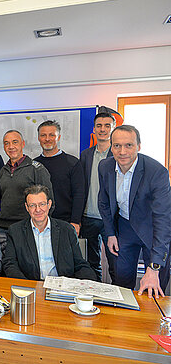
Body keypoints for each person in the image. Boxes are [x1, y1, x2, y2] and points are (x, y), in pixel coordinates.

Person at [99, 125, 171, 298]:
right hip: (124, 228)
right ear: (111, 146)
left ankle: (153, 323)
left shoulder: (157, 172)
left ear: (139, 146)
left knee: (154, 286)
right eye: (117, 146)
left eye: (128, 145)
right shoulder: (105, 167)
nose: (122, 151)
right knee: (122, 283)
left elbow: (163, 219)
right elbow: (104, 203)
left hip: (152, 230)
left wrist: (154, 266)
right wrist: (110, 233)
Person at [3, 185, 96, 281]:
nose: (38, 209)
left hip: (61, 287)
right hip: (31, 286)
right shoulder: (15, 231)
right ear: (27, 207)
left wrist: (90, 284)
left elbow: (80, 264)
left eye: (42, 204)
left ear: (49, 204)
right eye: (32, 205)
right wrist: (27, 286)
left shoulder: (67, 230)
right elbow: (10, 265)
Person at [0, 130, 53, 250]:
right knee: (6, 264)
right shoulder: (3, 170)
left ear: (23, 144)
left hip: (26, 227)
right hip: (4, 228)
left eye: (15, 142)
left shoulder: (36, 169)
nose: (11, 146)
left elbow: (49, 203)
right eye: (6, 143)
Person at [79, 112, 115, 282]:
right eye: (99, 126)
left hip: (111, 219)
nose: (103, 129)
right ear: (94, 129)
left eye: (107, 125)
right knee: (92, 264)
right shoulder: (85, 155)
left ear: (113, 129)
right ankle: (95, 298)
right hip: (89, 217)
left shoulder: (118, 155)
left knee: (116, 263)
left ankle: (118, 303)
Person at [34, 120, 84, 235]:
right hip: (39, 222)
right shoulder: (34, 164)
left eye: (52, 135)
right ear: (38, 138)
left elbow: (79, 194)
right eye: (43, 135)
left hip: (66, 222)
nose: (47, 139)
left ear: (59, 137)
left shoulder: (72, 163)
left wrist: (75, 221)